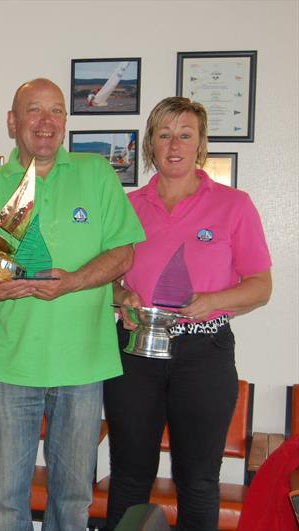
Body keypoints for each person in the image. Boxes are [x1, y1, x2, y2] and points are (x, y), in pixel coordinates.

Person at [0, 78, 145, 531]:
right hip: (9, 368)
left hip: (83, 367)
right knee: (7, 505)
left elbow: (123, 253)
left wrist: (72, 283)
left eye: (56, 111)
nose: (45, 122)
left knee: (72, 501)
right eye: (34, 110)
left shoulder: (97, 173)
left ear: (65, 121)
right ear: (13, 122)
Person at [103, 97, 272, 531]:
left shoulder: (234, 205)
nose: (174, 144)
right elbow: (108, 278)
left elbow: (260, 286)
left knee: (197, 481)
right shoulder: (129, 206)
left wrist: (212, 300)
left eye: (185, 135)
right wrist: (122, 296)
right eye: (164, 135)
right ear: (150, 145)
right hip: (135, 353)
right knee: (129, 476)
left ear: (200, 145)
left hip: (204, 354)